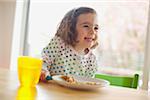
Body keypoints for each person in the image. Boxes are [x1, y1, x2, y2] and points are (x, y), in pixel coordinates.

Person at [40, 7, 99, 81]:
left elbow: (87, 83)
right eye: (86, 26)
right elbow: (43, 61)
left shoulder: (92, 59)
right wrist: (43, 70)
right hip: (52, 90)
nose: (92, 32)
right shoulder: (59, 44)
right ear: (71, 28)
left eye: (96, 28)